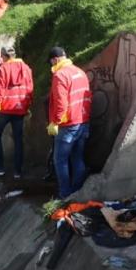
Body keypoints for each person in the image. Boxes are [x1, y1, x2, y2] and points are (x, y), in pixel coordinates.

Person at [46, 46, 91, 199]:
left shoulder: (60, 75)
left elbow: (61, 103)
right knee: (77, 158)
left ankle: (65, 195)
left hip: (68, 125)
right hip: (83, 122)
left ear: (55, 60)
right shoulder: (80, 72)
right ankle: (77, 193)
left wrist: (55, 122)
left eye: (51, 62)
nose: (51, 66)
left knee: (60, 160)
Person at [0, 46, 33, 178]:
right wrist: (27, 106)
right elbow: (30, 89)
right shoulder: (26, 68)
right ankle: (18, 171)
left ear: (4, 56)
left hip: (5, 109)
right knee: (18, 139)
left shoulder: (3, 68)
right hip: (19, 109)